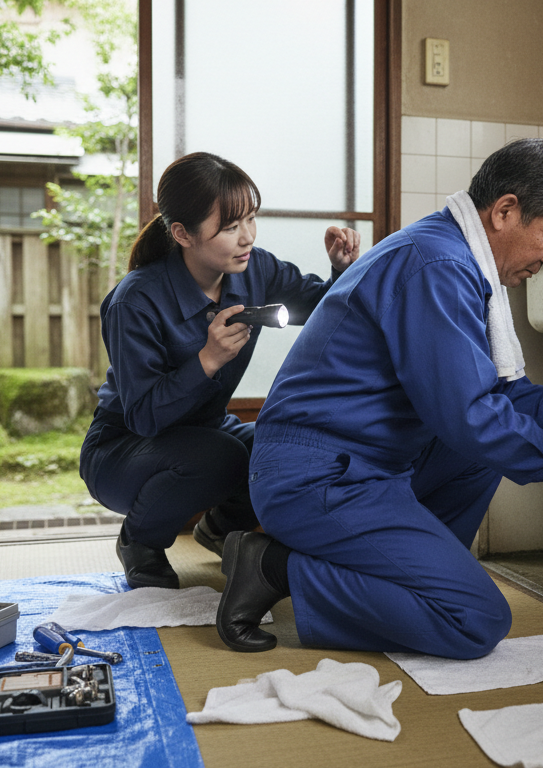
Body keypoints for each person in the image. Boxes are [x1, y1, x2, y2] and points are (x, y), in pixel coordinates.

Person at [215, 138, 543, 655]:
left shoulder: (451, 252)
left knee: (476, 458)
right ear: (505, 211)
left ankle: (411, 577)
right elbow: (469, 415)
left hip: (357, 462)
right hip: (317, 475)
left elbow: (503, 394)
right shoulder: (439, 266)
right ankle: (274, 567)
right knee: (474, 619)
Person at [79, 151, 361, 589]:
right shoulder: (135, 300)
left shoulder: (256, 268)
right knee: (224, 456)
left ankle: (219, 528)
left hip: (206, 430)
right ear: (182, 234)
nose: (246, 236)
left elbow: (322, 307)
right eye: (230, 227)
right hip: (123, 448)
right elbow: (143, 417)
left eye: (250, 218)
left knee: (283, 446)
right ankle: (140, 542)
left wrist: (341, 270)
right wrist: (207, 360)